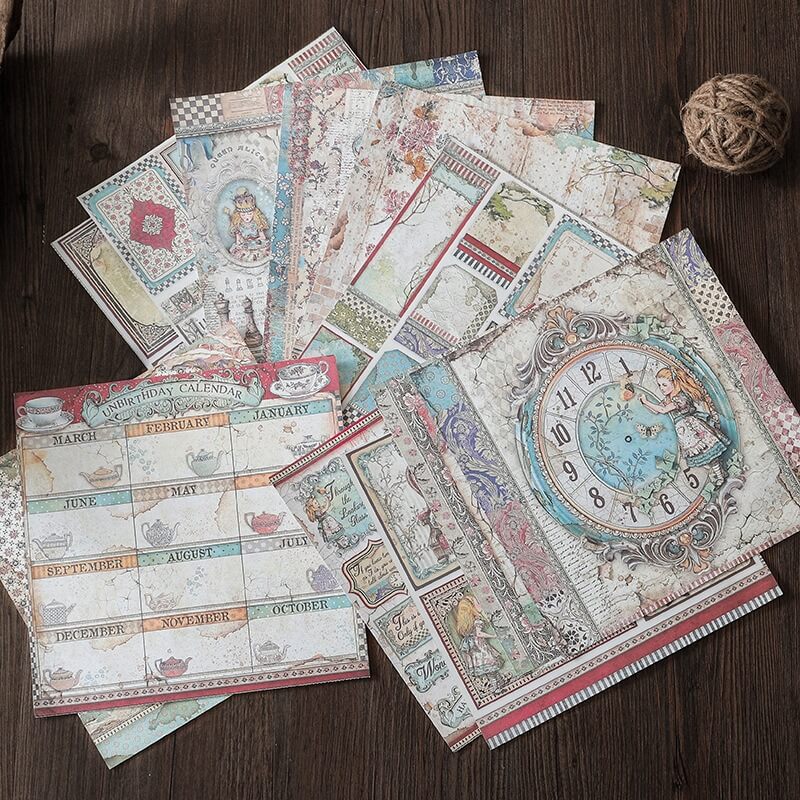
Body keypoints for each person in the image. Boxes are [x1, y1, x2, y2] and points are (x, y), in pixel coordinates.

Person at [640, 366, 730, 484]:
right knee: (703, 456)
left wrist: (646, 402)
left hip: (692, 428)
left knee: (708, 453)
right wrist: (644, 403)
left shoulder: (680, 397)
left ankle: (720, 476)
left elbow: (663, 410)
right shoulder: (669, 399)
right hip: (684, 433)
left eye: (664, 385)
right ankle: (718, 473)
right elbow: (656, 411)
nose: (661, 388)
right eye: (659, 385)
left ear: (674, 382)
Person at [454, 595, 503, 682]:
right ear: (471, 607)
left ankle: (496, 681)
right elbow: (479, 633)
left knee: (485, 666)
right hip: (479, 646)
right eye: (477, 603)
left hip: (472, 648)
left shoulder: (466, 623)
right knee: (489, 663)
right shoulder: (477, 620)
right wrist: (493, 636)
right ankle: (495, 682)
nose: (480, 605)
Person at [225, 187, 270, 262]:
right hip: (245, 247)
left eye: (249, 214)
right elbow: (238, 241)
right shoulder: (238, 226)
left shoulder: (257, 224)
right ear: (238, 215)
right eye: (243, 215)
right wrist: (242, 243)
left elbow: (263, 237)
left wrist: (256, 241)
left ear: (255, 214)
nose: (246, 217)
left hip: (257, 246)